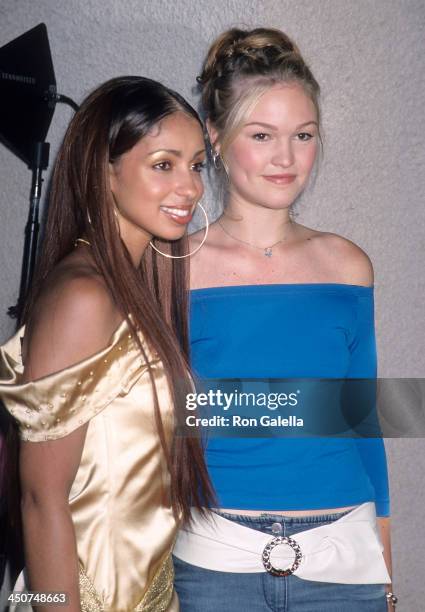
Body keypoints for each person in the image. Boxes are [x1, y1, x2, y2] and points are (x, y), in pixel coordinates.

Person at [172, 28, 396, 611]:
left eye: (303, 135)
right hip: (213, 563)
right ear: (216, 139)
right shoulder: (168, 268)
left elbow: (363, 422)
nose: (286, 157)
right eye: (262, 135)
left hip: (342, 562)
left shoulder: (347, 266)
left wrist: (385, 570)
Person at [0, 75, 214, 612]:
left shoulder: (139, 286)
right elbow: (39, 496)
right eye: (163, 164)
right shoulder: (83, 295)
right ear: (105, 170)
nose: (189, 187)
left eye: (196, 165)